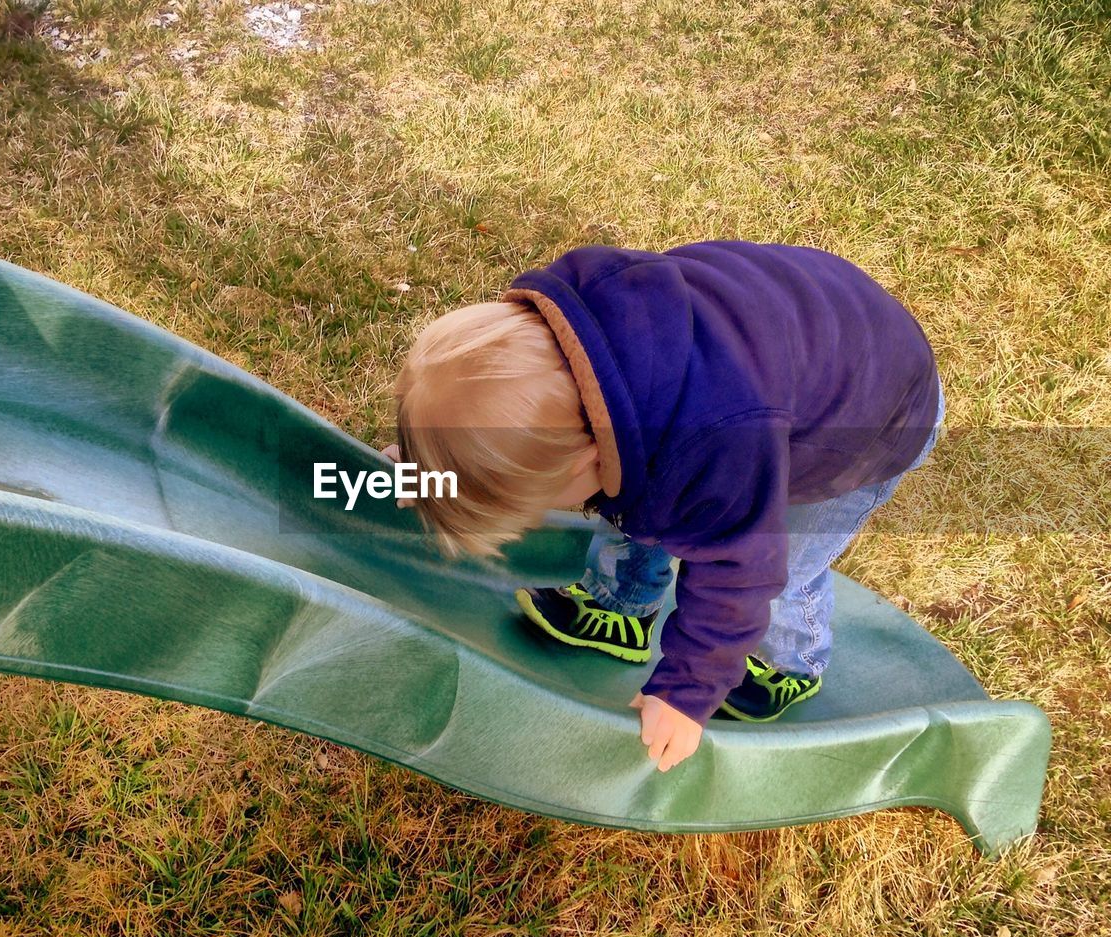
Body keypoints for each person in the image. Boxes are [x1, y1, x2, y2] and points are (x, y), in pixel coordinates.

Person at [385, 241, 943, 773]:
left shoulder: (714, 448)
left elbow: (739, 574)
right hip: (798, 336)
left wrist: (686, 692)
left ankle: (789, 662)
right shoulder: (585, 345)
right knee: (636, 490)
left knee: (785, 563)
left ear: (585, 455)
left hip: (872, 419)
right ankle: (621, 604)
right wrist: (433, 467)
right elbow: (569, 457)